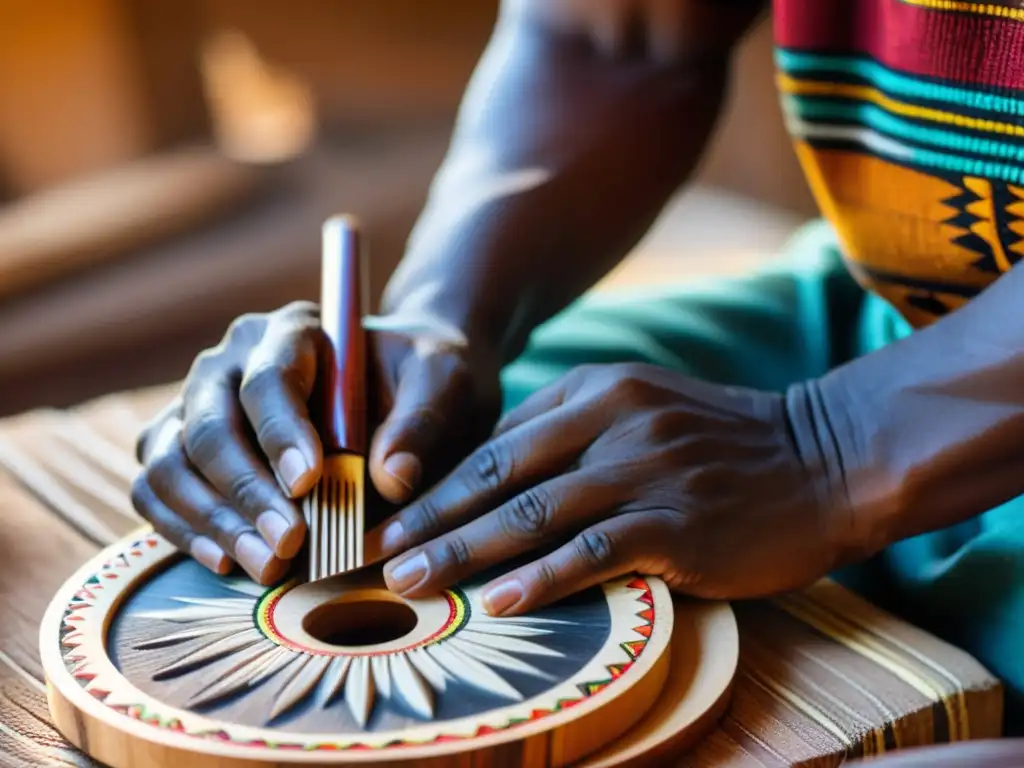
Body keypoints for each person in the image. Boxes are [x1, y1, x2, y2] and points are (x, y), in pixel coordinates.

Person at [131, 0, 1024, 745]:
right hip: (890, 306)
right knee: (443, 450)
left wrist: (831, 448)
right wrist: (440, 317)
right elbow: (612, 35)